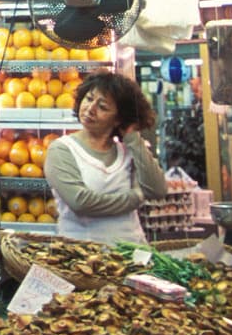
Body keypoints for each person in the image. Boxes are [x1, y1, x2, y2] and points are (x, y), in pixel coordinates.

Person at [44, 72, 169, 243]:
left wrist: (133, 138)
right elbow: (81, 202)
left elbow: (157, 190)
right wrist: (136, 198)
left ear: (118, 119)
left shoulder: (127, 151)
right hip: (84, 255)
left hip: (132, 253)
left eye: (102, 107)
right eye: (88, 99)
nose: (90, 109)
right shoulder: (62, 150)